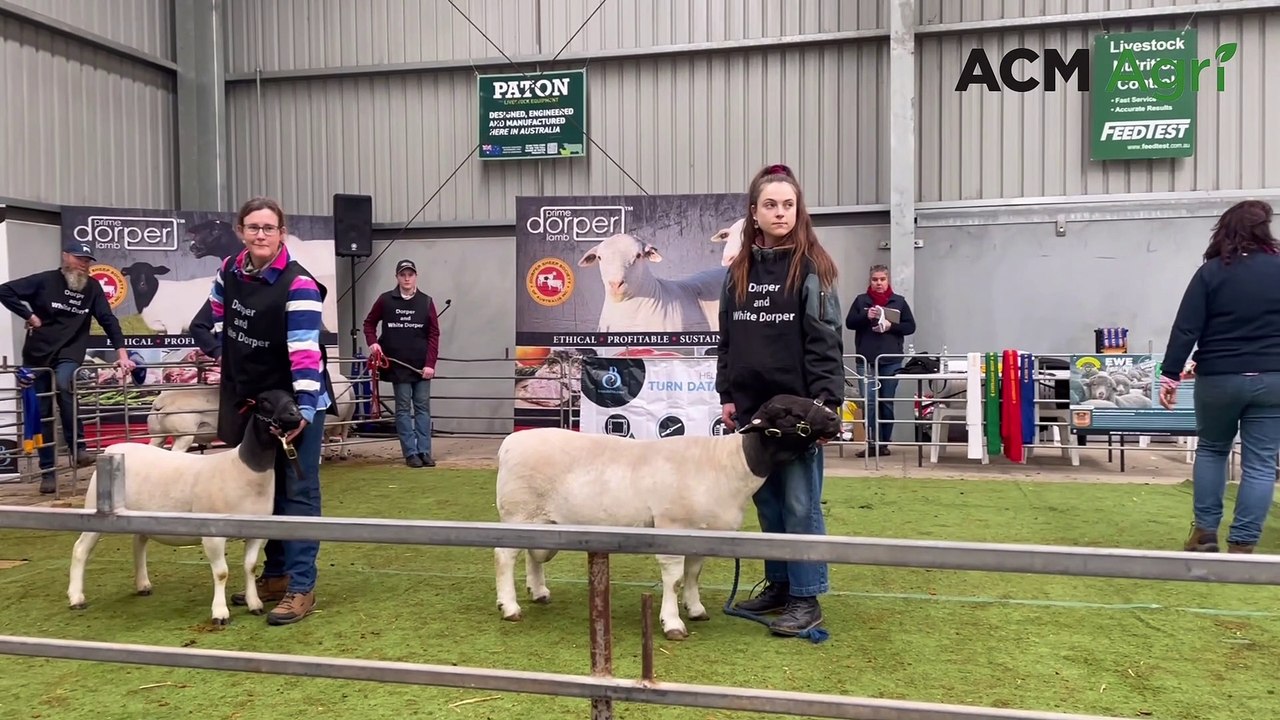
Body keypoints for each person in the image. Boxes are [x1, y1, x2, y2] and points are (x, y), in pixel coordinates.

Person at [714, 163, 844, 636]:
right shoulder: (737, 273)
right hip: (752, 412)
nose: (780, 213)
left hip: (799, 410)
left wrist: (828, 404)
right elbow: (727, 338)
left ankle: (806, 598)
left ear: (798, 210)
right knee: (767, 502)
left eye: (788, 204)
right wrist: (727, 393)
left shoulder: (814, 269)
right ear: (754, 212)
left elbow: (826, 339)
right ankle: (781, 583)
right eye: (770, 204)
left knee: (799, 503)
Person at [210, 197, 335, 625]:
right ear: (240, 231)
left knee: (298, 491)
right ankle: (276, 573)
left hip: (295, 402)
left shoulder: (299, 284)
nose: (260, 234)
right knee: (263, 488)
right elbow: (216, 318)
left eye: (269, 227)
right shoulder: (228, 271)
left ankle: (302, 587)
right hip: (255, 400)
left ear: (282, 233)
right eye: (252, 227)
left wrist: (301, 411)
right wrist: (222, 354)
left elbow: (305, 353)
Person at [1160, 199, 1280, 556]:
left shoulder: (1211, 272)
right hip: (1274, 379)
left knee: (1212, 450)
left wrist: (1170, 376)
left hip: (1219, 377)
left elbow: (1186, 328)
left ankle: (1205, 533)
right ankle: (1243, 543)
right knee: (1260, 463)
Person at [0, 239, 136, 493]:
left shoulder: (93, 288)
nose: (83, 264)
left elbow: (108, 319)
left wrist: (122, 352)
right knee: (42, 413)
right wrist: (29, 315)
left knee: (64, 384)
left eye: (87, 260)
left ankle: (78, 447)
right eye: (79, 258)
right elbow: (4, 290)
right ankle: (48, 472)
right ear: (65, 257)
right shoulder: (44, 281)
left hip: (69, 351)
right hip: (38, 355)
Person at [362, 259, 441, 468]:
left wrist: (430, 364)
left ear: (416, 276)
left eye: (410, 274)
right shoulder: (386, 300)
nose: (407, 278)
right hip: (397, 365)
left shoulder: (426, 301)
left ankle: (425, 450)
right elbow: (369, 323)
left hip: (421, 366)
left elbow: (434, 334)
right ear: (397, 277)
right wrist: (373, 344)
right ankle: (410, 453)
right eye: (403, 274)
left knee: (423, 408)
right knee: (403, 408)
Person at [844, 264, 917, 457]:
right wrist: (865, 316)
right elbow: (850, 323)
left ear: (888, 280)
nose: (878, 283)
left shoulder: (898, 301)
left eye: (882, 279)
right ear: (870, 281)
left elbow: (910, 327)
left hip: (890, 359)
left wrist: (890, 326)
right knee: (868, 402)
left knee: (886, 401)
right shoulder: (861, 301)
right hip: (865, 360)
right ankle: (870, 443)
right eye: (875, 280)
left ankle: (883, 443)